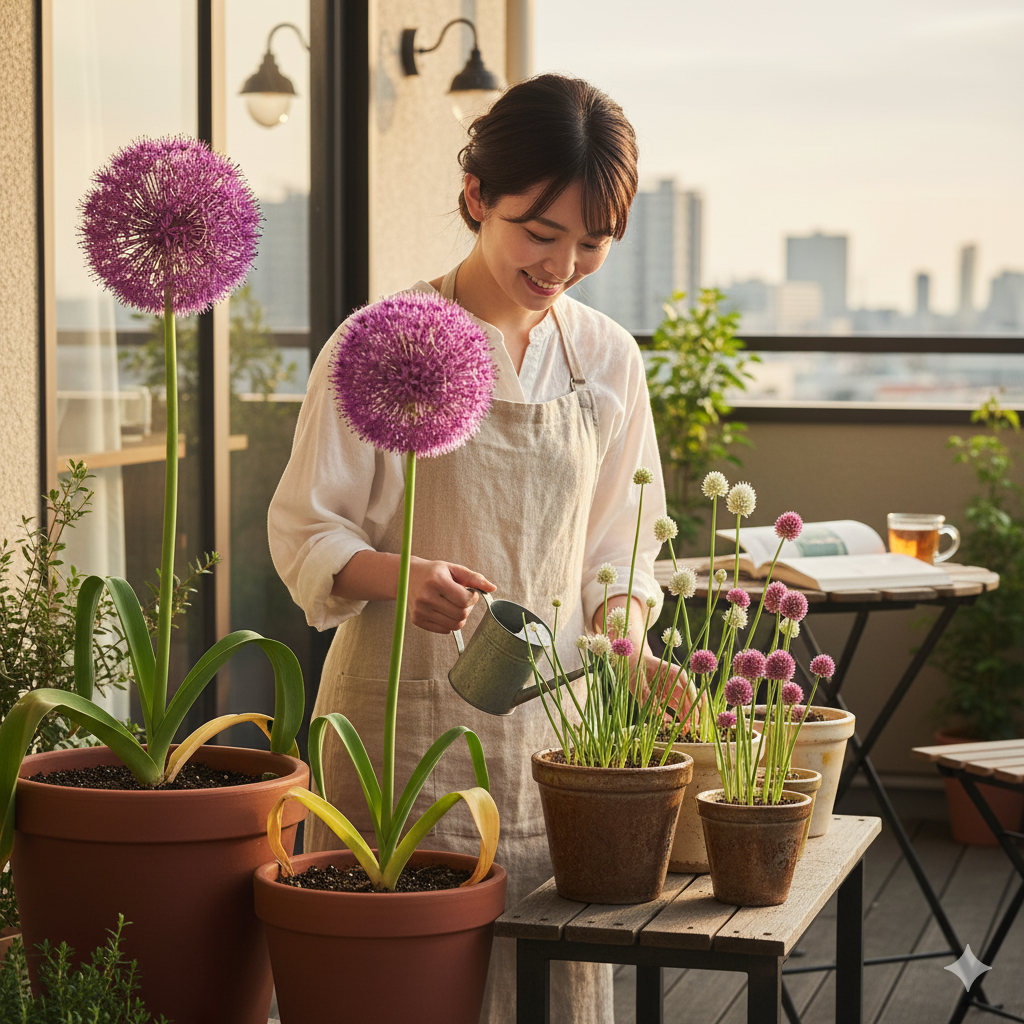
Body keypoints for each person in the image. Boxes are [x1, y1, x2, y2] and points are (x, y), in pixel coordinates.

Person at [268, 73, 685, 1024]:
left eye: (592, 243)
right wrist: (398, 573)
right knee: (399, 986)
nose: (563, 264)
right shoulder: (386, 341)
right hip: (395, 721)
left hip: (553, 739)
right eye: (541, 234)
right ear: (474, 199)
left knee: (544, 978)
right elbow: (306, 527)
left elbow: (618, 551)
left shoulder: (609, 359)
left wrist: (633, 646)